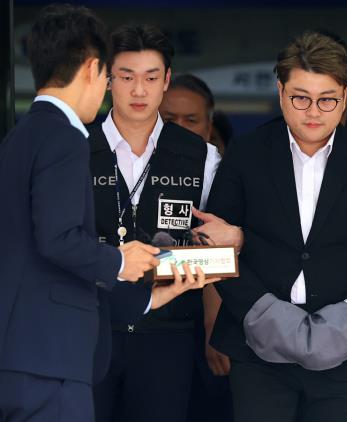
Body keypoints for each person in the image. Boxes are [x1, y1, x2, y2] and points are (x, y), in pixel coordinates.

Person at [205, 30, 347, 422]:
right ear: (280, 89)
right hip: (257, 351)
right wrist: (257, 309)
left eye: (326, 100)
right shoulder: (245, 154)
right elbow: (214, 246)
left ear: (345, 96)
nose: (313, 112)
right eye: (300, 98)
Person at [0, 5, 160, 421]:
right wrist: (121, 261)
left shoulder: (19, 137)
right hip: (50, 356)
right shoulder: (66, 137)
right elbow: (57, 238)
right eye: (110, 77)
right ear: (92, 69)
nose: (108, 89)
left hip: (18, 353)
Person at [89, 25, 221, 422]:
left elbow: (215, 253)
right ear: (108, 80)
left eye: (150, 78)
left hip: (169, 335)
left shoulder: (202, 157)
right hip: (89, 332)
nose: (139, 91)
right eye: (127, 77)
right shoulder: (75, 147)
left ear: (166, 80)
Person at [159, 74, 234, 422]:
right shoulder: (125, 164)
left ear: (208, 126)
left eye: (191, 120)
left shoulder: (219, 172)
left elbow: (222, 251)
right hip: (142, 326)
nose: (180, 128)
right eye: (170, 119)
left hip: (202, 321)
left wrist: (212, 321)